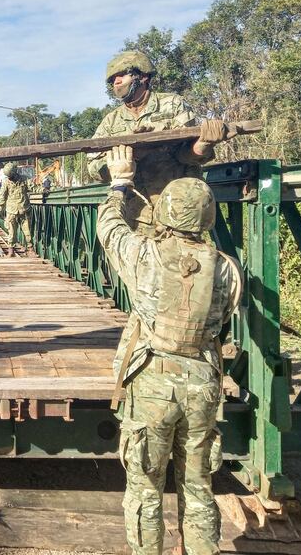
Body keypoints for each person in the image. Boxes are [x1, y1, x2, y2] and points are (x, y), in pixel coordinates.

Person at [96, 145, 242, 555]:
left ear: (164, 213)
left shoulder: (144, 255)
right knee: (198, 486)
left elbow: (108, 226)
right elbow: (225, 311)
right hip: (202, 382)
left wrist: (121, 182)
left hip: (152, 383)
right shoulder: (227, 268)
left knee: (145, 489)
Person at [87, 51, 232, 235]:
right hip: (135, 217)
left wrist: (203, 144)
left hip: (180, 215)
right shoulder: (110, 122)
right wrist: (126, 160)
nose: (116, 82)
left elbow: (187, 154)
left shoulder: (172, 105)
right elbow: (93, 168)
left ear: (143, 76)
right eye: (112, 79)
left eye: (121, 75)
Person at [0, 162, 33, 254]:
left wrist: (43, 189)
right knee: (11, 231)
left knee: (27, 230)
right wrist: (1, 207)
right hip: (11, 210)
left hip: (24, 209)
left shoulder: (24, 179)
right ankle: (11, 250)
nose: (9, 177)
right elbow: (2, 196)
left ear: (14, 173)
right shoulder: (6, 182)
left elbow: (33, 187)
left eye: (10, 175)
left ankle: (30, 249)